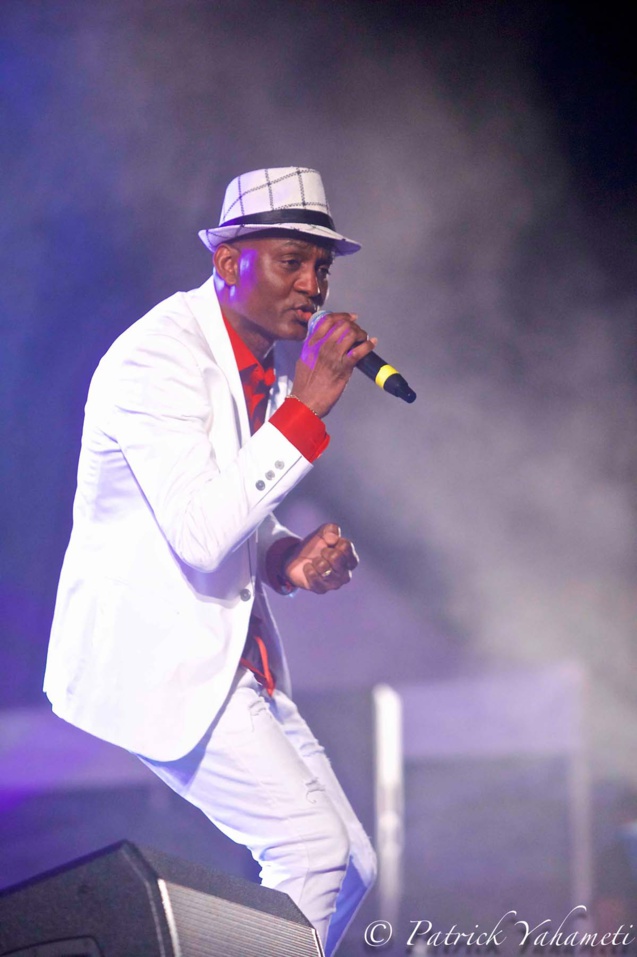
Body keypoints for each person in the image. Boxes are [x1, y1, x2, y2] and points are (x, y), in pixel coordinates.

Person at [43, 166, 378, 954]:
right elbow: (197, 531)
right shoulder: (156, 360)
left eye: (321, 267)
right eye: (291, 261)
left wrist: (286, 557)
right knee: (309, 850)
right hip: (158, 654)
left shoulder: (255, 363)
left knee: (351, 866)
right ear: (228, 262)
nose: (312, 286)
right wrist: (308, 407)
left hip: (229, 656)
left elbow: (229, 510)